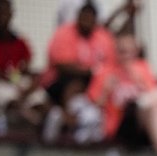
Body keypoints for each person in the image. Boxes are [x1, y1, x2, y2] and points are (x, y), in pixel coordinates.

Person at [87, 32, 157, 156]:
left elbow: (155, 95)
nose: (126, 55)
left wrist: (140, 81)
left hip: (146, 118)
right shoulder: (105, 71)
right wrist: (106, 90)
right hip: (122, 121)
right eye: (122, 51)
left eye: (130, 51)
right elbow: (94, 105)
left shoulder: (142, 67)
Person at [40, 2, 116, 144]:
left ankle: (72, 121)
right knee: (74, 82)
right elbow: (61, 64)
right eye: (83, 17)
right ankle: (68, 119)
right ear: (78, 17)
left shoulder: (104, 37)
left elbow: (109, 67)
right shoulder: (64, 32)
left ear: (95, 20)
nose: (86, 21)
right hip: (59, 81)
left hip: (93, 86)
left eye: (90, 18)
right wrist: (89, 70)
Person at [0, 0, 45, 132]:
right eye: (1, 12)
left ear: (11, 14)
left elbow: (26, 64)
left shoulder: (18, 39)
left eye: (6, 12)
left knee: (41, 100)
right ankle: (29, 118)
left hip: (17, 81)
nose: (4, 16)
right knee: (10, 100)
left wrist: (28, 83)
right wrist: (10, 79)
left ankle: (40, 123)